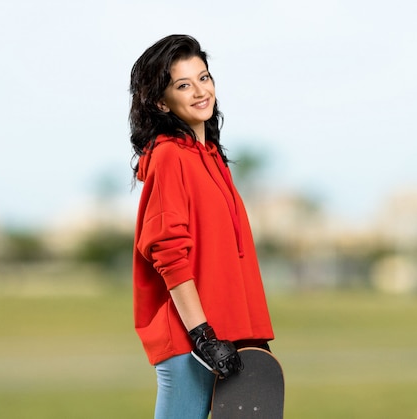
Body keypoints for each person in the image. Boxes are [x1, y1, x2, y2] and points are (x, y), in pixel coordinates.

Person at [129, 34, 275, 419]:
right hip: (191, 342)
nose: (200, 91)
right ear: (161, 102)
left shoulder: (212, 158)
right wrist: (203, 337)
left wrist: (249, 334)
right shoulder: (168, 156)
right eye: (183, 84)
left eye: (204, 78)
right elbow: (168, 251)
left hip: (229, 339)